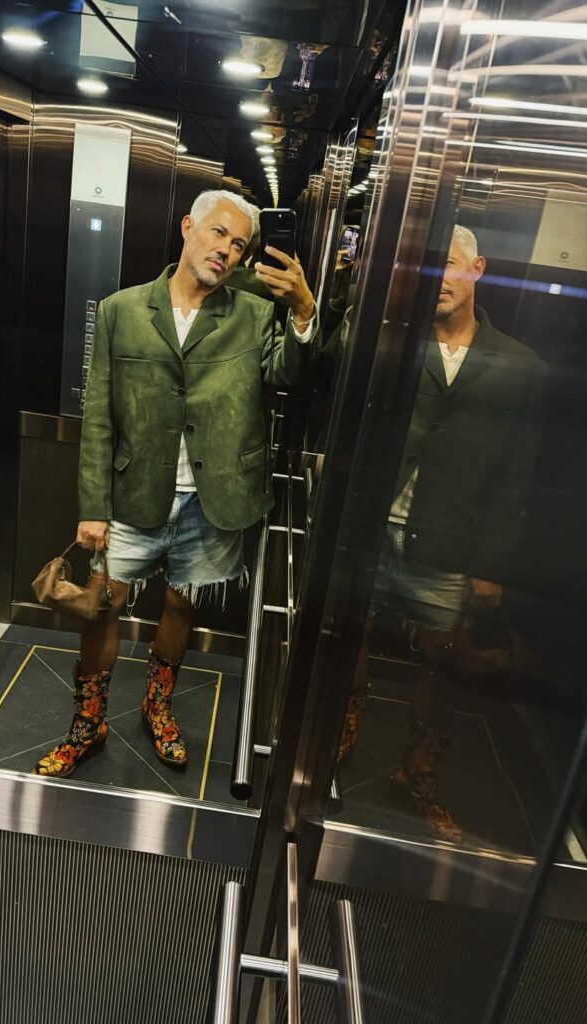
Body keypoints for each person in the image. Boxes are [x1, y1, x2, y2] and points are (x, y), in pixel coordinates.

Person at [34, 190, 320, 778]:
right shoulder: (120, 310)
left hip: (213, 499)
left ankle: (157, 707)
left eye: (238, 244)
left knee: (182, 605)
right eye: (218, 233)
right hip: (133, 494)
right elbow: (99, 415)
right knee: (101, 608)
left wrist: (302, 312)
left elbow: (288, 373)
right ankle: (87, 724)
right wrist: (92, 506)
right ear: (188, 227)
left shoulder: (254, 313)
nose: (226, 250)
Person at [340, 225, 545, 840]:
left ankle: (419, 776)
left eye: (451, 265)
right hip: (370, 525)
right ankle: (336, 741)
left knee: (442, 659)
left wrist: (490, 565)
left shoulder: (520, 367)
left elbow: (516, 477)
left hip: (449, 541)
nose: (440, 279)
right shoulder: (390, 339)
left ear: (477, 269)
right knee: (348, 638)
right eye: (428, 267)